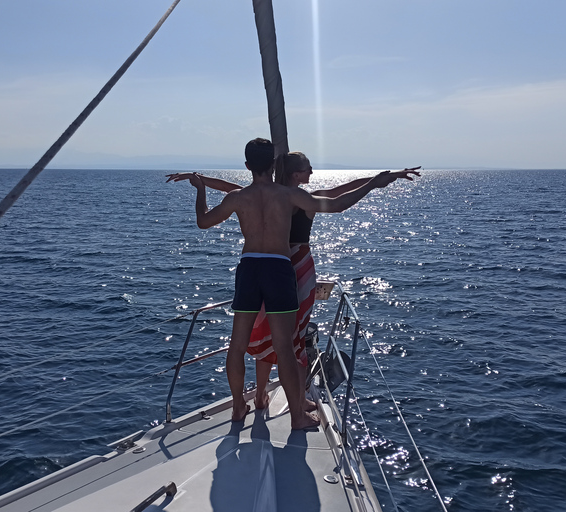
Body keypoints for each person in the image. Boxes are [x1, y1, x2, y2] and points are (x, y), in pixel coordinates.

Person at [169, 152, 420, 416]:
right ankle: (297, 402)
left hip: (261, 265)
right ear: (295, 174)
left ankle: (262, 394)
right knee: (293, 339)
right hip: (292, 267)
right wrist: (373, 184)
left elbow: (230, 188)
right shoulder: (298, 199)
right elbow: (338, 200)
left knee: (265, 333)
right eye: (307, 168)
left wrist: (198, 180)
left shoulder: (260, 193)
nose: (311, 171)